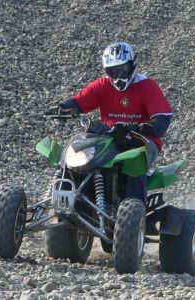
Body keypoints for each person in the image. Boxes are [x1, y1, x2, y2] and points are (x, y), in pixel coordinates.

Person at [46, 41, 173, 205]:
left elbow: (162, 119)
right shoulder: (102, 85)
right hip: (109, 136)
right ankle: (63, 202)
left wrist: (142, 127)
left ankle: (135, 211)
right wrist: (62, 108)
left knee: (134, 161)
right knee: (76, 151)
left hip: (142, 141)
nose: (118, 76)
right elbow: (79, 102)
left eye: (122, 70)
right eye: (112, 71)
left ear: (132, 65)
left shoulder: (147, 86)